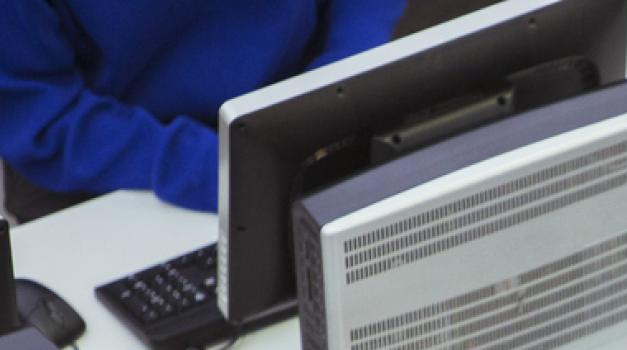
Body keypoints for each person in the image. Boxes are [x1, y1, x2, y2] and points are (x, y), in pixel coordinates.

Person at [0, 1, 404, 218]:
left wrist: (340, 82)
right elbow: (41, 116)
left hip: (304, 115)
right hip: (114, 171)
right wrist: (231, 170)